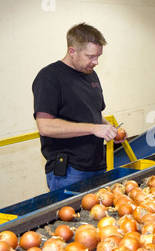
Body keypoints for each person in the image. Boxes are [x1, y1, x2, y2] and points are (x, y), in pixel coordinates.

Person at [32, 23, 127, 191]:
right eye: (90, 56)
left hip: (97, 165)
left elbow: (93, 115)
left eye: (98, 56)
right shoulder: (49, 78)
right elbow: (45, 127)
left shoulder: (90, 74)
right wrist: (93, 129)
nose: (96, 62)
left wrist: (108, 128)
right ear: (72, 51)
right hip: (69, 171)